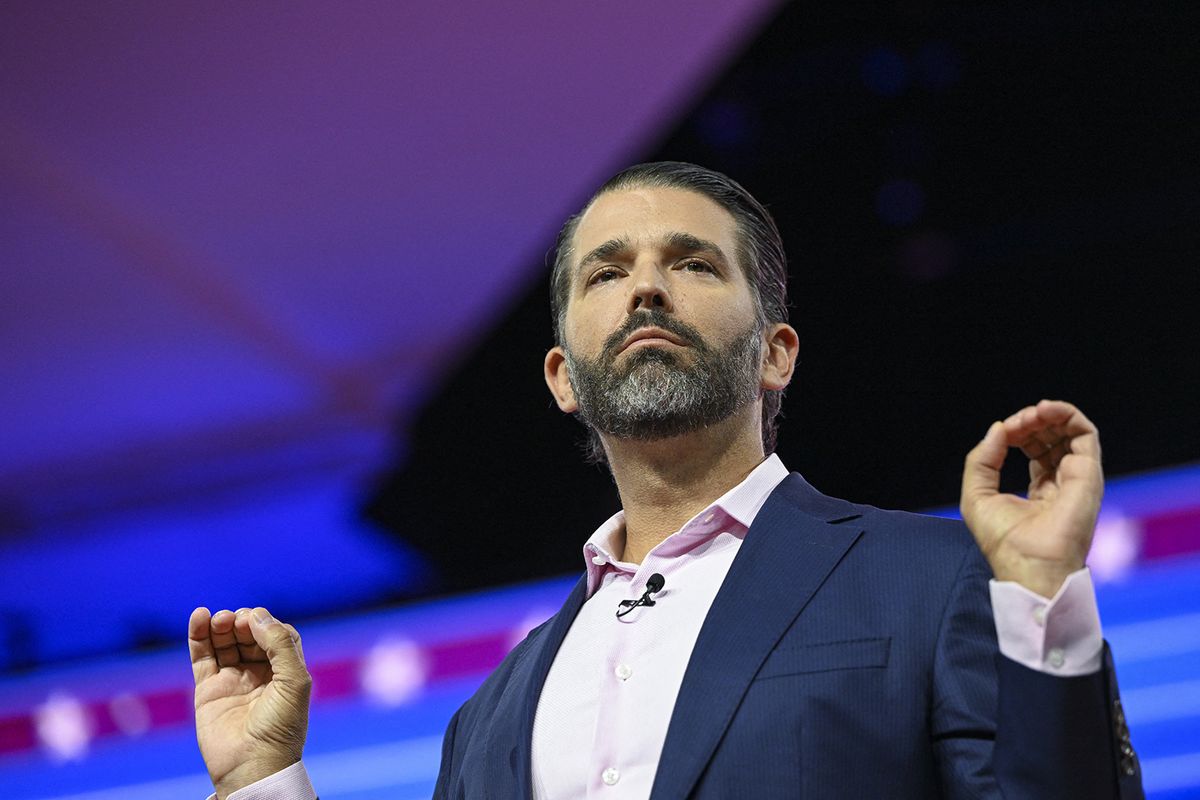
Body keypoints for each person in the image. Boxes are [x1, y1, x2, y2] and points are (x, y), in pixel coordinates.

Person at [189, 162, 1143, 799]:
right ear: (564, 379)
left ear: (776, 355)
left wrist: (1040, 601)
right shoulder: (490, 718)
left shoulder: (936, 580)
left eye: (691, 263)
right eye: (607, 273)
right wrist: (264, 779)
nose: (647, 287)